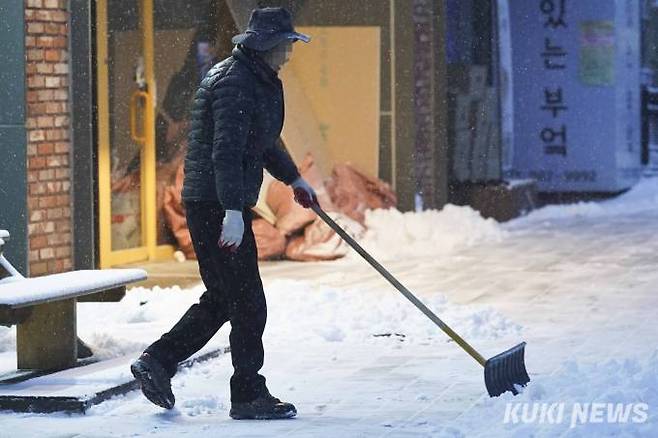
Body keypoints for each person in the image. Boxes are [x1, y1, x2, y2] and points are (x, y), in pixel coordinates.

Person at [130, 7, 317, 420]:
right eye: (287, 43)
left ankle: (159, 361)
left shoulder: (256, 78)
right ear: (269, 44)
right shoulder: (235, 82)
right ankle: (248, 393)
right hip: (214, 204)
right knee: (248, 303)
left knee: (223, 299)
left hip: (217, 203)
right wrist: (233, 211)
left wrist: (294, 180)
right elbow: (226, 153)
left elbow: (262, 141)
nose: (290, 50)